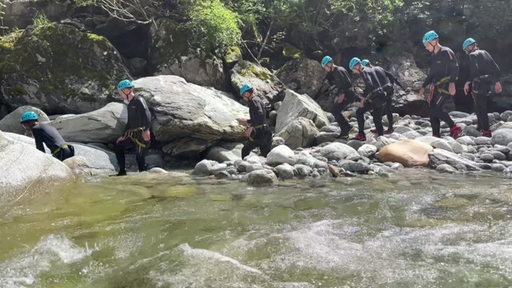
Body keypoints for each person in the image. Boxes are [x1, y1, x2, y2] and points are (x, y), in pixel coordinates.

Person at [419, 30, 463, 139]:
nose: (426, 47)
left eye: (426, 44)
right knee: (432, 110)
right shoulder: (434, 57)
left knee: (436, 109)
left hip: (446, 86)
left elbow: (455, 67)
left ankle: (454, 127)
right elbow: (432, 74)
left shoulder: (446, 52)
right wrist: (423, 86)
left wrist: (452, 83)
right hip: (437, 86)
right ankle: (435, 134)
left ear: (434, 41)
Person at [462, 37, 502, 137]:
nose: (466, 51)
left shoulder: (472, 55)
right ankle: (480, 126)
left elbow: (474, 70)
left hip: (478, 83)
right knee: (479, 105)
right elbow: (496, 68)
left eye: (466, 49)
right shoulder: (485, 53)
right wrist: (497, 82)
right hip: (488, 83)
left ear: (470, 47)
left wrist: (467, 82)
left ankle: (486, 131)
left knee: (480, 107)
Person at [114, 79, 152, 176]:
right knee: (118, 146)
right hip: (133, 136)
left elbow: (147, 114)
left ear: (126, 90)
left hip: (142, 135)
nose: (120, 95)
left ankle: (144, 176)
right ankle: (122, 171)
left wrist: (147, 130)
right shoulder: (130, 104)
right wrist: (123, 136)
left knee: (139, 158)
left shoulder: (139, 100)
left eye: (120, 92)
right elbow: (130, 123)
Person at [349, 57, 389, 141]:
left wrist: (363, 97)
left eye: (353, 69)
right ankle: (381, 137)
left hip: (375, 97)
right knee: (377, 118)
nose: (353, 71)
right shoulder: (369, 69)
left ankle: (361, 134)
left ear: (356, 66)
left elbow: (370, 86)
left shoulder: (364, 72)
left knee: (359, 112)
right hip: (382, 96)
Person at [361, 59, 405, 134]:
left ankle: (388, 128)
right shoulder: (379, 68)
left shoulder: (370, 71)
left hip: (382, 92)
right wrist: (393, 85)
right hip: (388, 89)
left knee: (380, 109)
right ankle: (386, 127)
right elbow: (391, 76)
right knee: (387, 109)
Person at [320, 55, 357, 139]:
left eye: (325, 66)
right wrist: (338, 95)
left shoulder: (339, 70)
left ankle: (345, 131)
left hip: (348, 94)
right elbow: (340, 85)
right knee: (336, 110)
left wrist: (341, 95)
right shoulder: (336, 71)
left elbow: (346, 83)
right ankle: (347, 127)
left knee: (335, 111)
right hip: (346, 93)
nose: (325, 69)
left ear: (329, 64)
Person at [237, 84, 273, 158]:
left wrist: (251, 127)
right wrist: (246, 121)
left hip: (260, 133)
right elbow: (259, 117)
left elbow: (260, 114)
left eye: (243, 95)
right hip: (265, 131)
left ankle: (243, 167)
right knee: (265, 155)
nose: (243, 98)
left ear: (247, 93)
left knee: (245, 150)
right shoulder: (257, 100)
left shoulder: (253, 101)